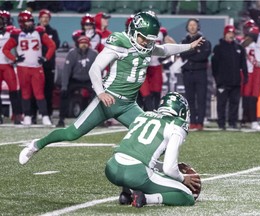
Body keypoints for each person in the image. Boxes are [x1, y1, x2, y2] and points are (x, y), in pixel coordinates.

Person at [18, 11, 203, 165]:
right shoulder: (120, 43)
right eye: (144, 38)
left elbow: (164, 49)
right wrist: (101, 93)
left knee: (153, 137)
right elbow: (95, 68)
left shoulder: (146, 43)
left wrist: (189, 46)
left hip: (129, 105)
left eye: (149, 40)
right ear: (133, 31)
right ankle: (36, 145)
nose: (147, 43)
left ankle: (145, 172)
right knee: (72, 132)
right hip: (107, 100)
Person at [105, 92, 200, 207]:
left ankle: (127, 193)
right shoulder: (177, 125)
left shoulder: (144, 115)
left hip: (112, 167)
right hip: (135, 174)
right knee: (187, 196)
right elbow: (169, 169)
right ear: (182, 111)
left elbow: (137, 153)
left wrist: (159, 166)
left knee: (143, 167)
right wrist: (182, 178)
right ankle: (145, 198)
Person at [3, 10, 56, 126]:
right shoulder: (16, 34)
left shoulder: (39, 32)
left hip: (37, 68)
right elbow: (5, 49)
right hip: (23, 68)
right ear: (21, 23)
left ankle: (45, 116)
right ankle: (27, 116)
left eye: (31, 21)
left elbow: (52, 45)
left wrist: (46, 58)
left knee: (39, 93)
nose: (30, 24)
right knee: (25, 93)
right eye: (27, 22)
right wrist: (15, 59)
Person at [212, 25, 248, 130]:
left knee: (234, 103)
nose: (231, 35)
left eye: (232, 33)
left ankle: (232, 122)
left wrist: (245, 76)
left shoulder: (239, 48)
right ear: (225, 34)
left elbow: (243, 64)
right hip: (222, 81)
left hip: (235, 81)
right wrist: (217, 79)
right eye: (229, 33)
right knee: (221, 103)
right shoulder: (218, 47)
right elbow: (214, 65)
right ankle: (221, 123)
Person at [56, 36, 98, 127]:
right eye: (81, 43)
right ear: (78, 44)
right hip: (75, 79)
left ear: (88, 44)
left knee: (98, 95)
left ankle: (98, 119)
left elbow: (98, 69)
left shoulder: (94, 54)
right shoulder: (72, 54)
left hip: (89, 79)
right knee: (64, 93)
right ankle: (61, 119)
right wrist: (64, 86)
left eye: (85, 43)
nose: (83, 45)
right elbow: (66, 71)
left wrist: (100, 86)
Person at [180, 18, 211, 131]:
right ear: (187, 27)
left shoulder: (204, 41)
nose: (192, 27)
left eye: (194, 25)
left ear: (198, 26)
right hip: (188, 73)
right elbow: (182, 54)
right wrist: (195, 50)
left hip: (200, 73)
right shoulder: (184, 41)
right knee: (190, 99)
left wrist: (189, 53)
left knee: (201, 98)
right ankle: (192, 121)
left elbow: (203, 56)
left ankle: (200, 122)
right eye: (190, 25)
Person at [31, 9, 60, 123]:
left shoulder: (53, 31)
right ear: (39, 18)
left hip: (48, 65)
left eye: (47, 17)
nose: (45, 19)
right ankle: (32, 115)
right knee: (34, 91)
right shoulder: (33, 31)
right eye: (43, 17)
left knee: (48, 90)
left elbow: (55, 46)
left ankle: (48, 114)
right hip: (35, 64)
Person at [0, 10, 22, 124]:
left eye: (2, 19)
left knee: (14, 91)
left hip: (8, 65)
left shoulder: (12, 32)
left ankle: (17, 116)